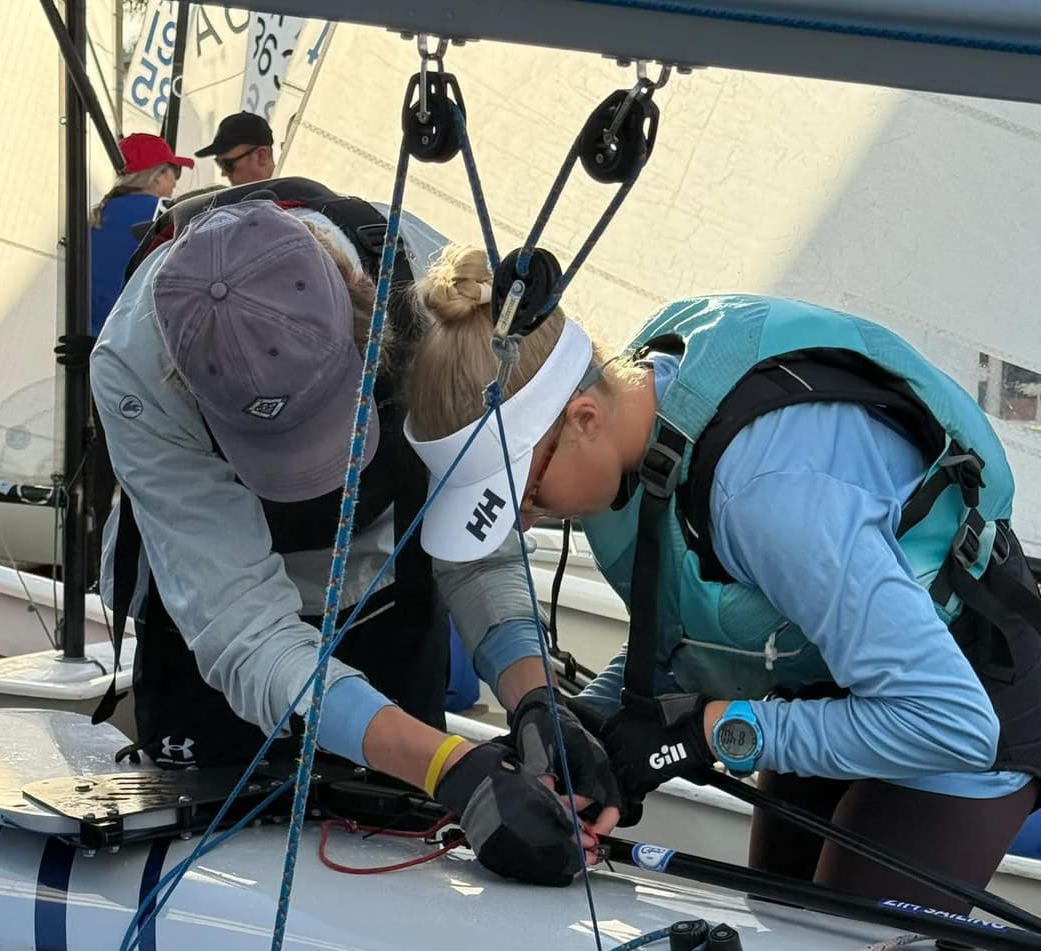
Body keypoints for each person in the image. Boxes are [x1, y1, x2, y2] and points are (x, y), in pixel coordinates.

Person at [404, 245, 1041, 910]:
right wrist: (590, 724)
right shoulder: (633, 415)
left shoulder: (765, 495)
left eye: (527, 494)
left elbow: (952, 722)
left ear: (584, 418)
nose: (525, 521)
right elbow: (696, 623)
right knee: (779, 920)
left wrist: (700, 735)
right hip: (818, 672)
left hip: (956, 699)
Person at [88, 187, 622, 887]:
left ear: (369, 328)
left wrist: (534, 699)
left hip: (385, 596)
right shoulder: (132, 367)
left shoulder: (435, 295)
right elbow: (244, 630)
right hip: (211, 643)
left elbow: (475, 541)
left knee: (404, 862)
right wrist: (447, 765)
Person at [90, 132, 192, 336]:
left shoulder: (94, 214)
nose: (175, 182)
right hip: (135, 338)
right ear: (158, 175)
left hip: (90, 337)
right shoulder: (165, 214)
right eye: (175, 172)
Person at [195, 112, 276, 185]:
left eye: (227, 165)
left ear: (261, 156)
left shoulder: (282, 194)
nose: (223, 174)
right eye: (219, 163)